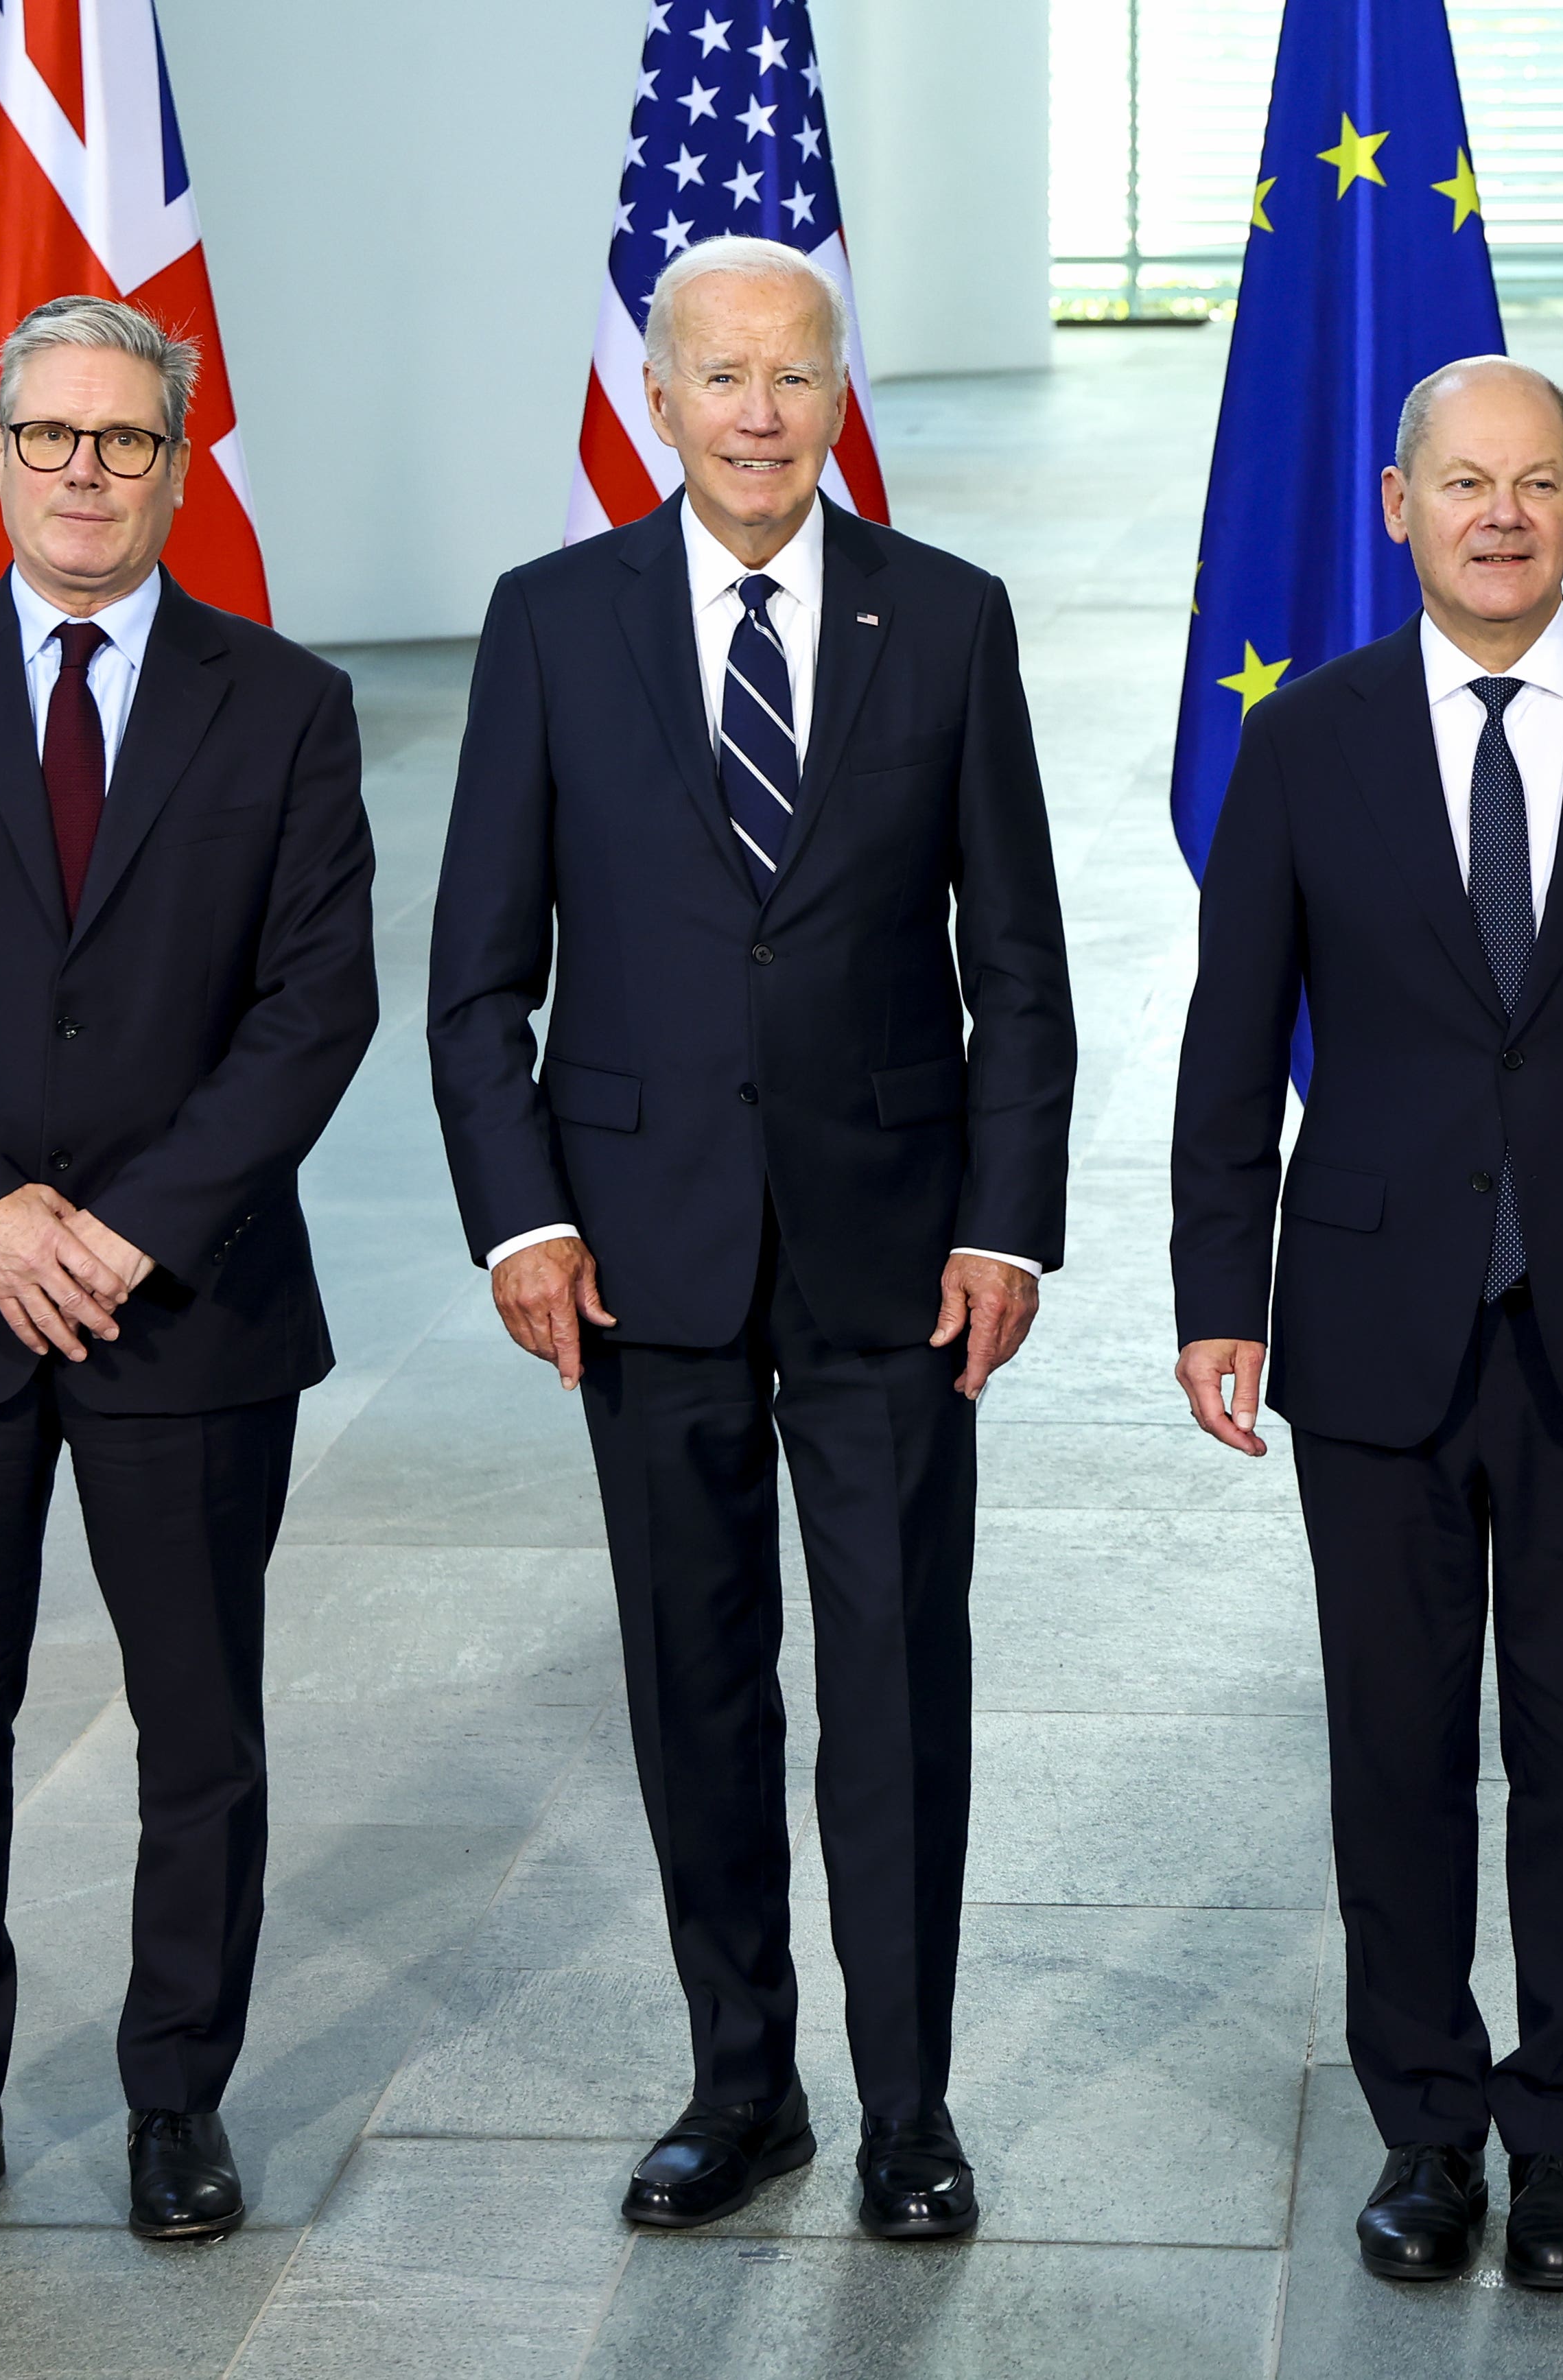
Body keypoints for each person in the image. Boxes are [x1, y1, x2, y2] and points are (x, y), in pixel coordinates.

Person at [425, 236, 1074, 2242]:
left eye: (797, 375)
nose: (763, 412)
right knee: (694, 1681)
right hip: (639, 1252)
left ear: (833, 388)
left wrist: (1009, 1224)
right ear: (663, 393)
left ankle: (903, 2106)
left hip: (896, 1259)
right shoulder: (551, 621)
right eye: (725, 377)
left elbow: (1020, 971)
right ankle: (741, 2084)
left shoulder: (944, 619)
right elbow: (474, 977)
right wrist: (520, 1211)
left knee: (894, 1689)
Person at [1171, 357, 1563, 2292]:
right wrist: (1222, 1292)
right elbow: (1228, 1046)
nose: (1500, 513)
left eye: (1537, 482)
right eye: (1464, 481)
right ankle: (1424, 2129)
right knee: (1391, 1750)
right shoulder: (1304, 744)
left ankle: (1562, 2138)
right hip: (1367, 1325)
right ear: (1398, 506)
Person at [0, 294, 377, 2246]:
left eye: (126, 441)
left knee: (200, 1727)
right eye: (52, 439)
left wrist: (129, 1223)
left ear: (177, 464)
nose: (87, 473)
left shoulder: (280, 703)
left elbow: (314, 1007)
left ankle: (173, 2099)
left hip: (184, 1299)